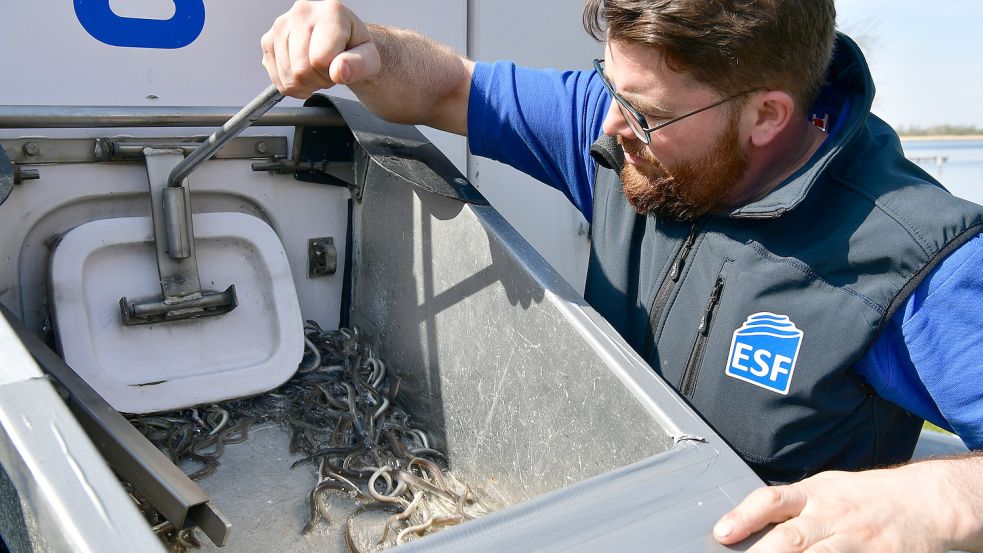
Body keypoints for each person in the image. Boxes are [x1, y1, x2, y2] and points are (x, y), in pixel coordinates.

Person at [261, 1, 983, 551]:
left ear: (766, 115)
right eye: (611, 87)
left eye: (644, 112)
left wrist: (934, 499)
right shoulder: (624, 133)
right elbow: (447, 86)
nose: (607, 125)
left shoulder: (918, 259)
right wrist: (364, 46)